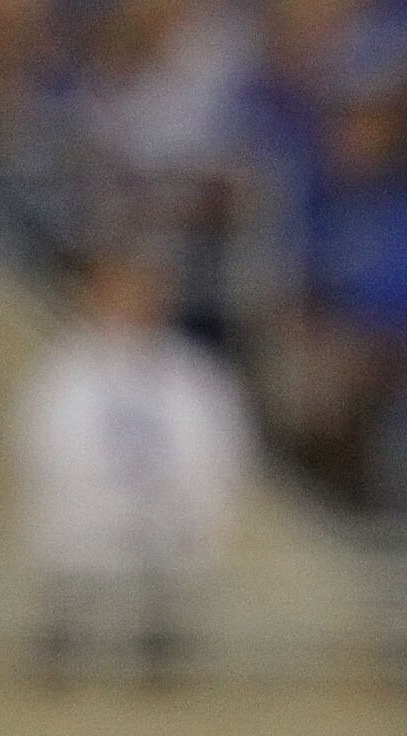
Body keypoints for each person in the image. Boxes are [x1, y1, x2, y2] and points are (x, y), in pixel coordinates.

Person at [15, 250, 252, 681]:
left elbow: (215, 455)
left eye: (145, 288)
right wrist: (93, 511)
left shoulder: (193, 374)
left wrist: (195, 516)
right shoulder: (64, 371)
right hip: (83, 531)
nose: (135, 300)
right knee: (68, 642)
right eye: (122, 287)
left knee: (159, 652)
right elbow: (48, 451)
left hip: (165, 535)